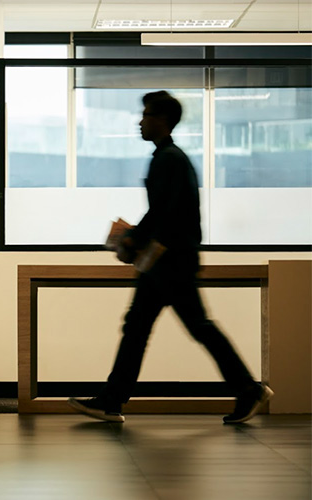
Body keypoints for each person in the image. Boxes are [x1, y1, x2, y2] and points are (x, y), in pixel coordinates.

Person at [68, 91, 272, 425]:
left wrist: (132, 239)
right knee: (147, 327)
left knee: (182, 327)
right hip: (170, 261)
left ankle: (247, 389)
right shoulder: (171, 158)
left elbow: (164, 212)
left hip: (169, 263)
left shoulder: (168, 159)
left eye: (146, 114)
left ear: (161, 119)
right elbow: (167, 211)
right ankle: (112, 399)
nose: (140, 121)